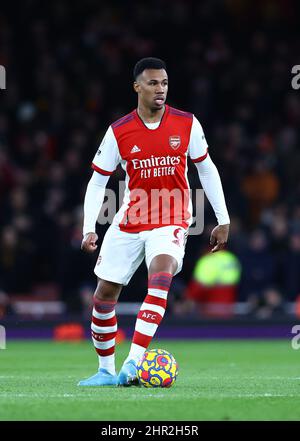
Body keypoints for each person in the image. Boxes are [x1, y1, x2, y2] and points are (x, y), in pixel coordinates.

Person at [78, 57, 230, 387]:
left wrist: (223, 218)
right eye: (152, 83)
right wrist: (90, 226)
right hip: (130, 218)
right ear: (137, 87)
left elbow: (206, 168)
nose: (160, 89)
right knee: (104, 296)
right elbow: (97, 181)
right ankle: (105, 371)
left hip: (173, 217)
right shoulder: (119, 131)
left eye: (163, 83)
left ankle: (133, 363)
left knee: (160, 277)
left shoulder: (187, 123)